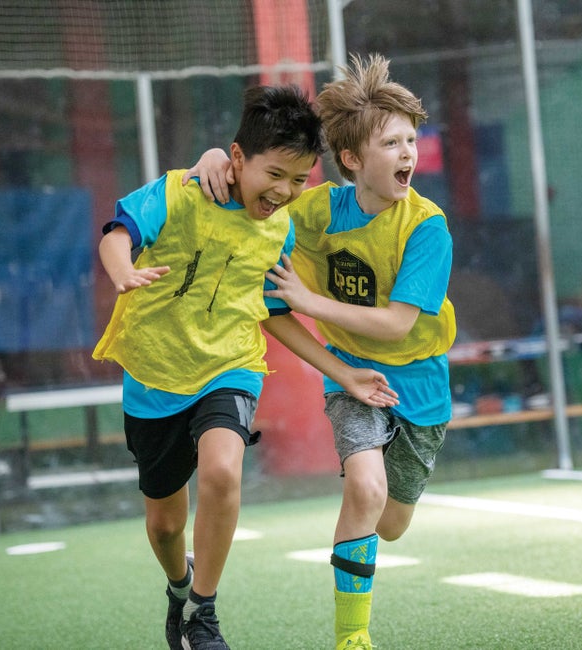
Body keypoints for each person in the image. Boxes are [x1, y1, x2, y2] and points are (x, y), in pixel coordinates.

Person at [93, 84, 398, 650]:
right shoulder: (182, 192)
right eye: (274, 174)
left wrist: (343, 373)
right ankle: (180, 584)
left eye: (297, 180)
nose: (283, 191)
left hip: (230, 365)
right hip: (155, 374)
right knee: (164, 526)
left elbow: (274, 314)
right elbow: (117, 234)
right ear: (237, 158)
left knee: (222, 472)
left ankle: (202, 613)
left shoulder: (280, 228)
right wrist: (123, 272)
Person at [187, 54, 456, 650]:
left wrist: (310, 301)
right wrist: (211, 160)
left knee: (392, 523)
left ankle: (370, 527)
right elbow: (251, 191)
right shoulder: (316, 211)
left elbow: (397, 324)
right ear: (353, 159)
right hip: (350, 374)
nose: (408, 154)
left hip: (419, 383)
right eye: (392, 143)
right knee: (365, 489)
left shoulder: (426, 228)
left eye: (411, 141)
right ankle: (352, 638)